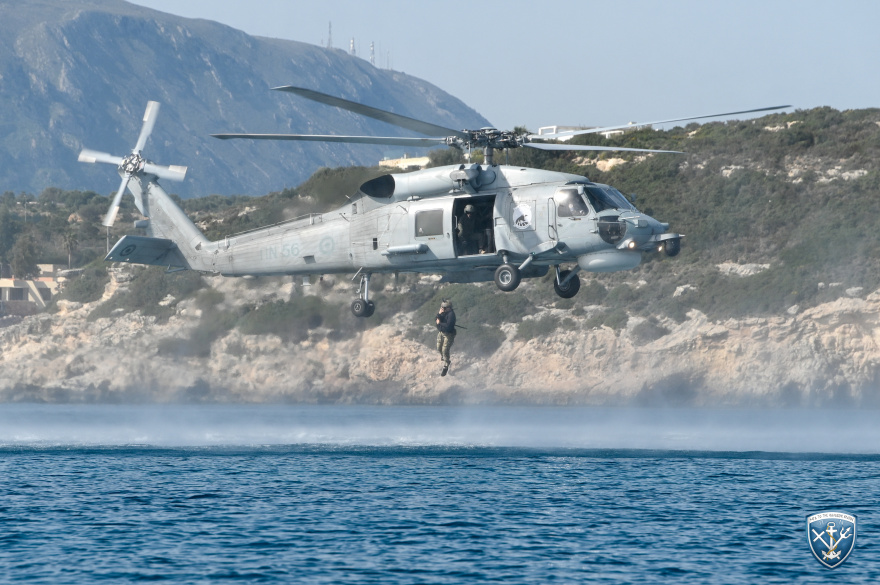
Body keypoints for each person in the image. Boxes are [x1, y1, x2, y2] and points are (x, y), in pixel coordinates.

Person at [435, 299, 456, 376]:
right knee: (438, 347)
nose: (443, 309)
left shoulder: (451, 315)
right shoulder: (443, 313)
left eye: (444, 308)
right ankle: (444, 357)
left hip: (448, 334)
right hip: (441, 332)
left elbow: (448, 326)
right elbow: (436, 320)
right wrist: (439, 314)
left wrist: (439, 323)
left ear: (449, 308)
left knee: (445, 350)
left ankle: (446, 365)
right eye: (442, 307)